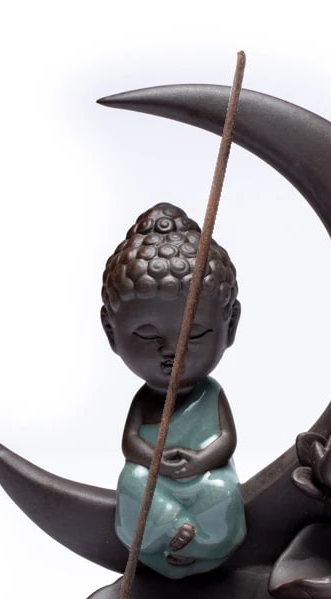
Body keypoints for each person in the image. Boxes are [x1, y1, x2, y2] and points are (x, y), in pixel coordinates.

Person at [101, 203, 246, 578]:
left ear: (230, 325)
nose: (172, 351)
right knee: (132, 482)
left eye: (194, 335)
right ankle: (175, 531)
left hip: (202, 478)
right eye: (148, 336)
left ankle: (195, 541)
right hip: (155, 481)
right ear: (111, 331)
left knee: (223, 489)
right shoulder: (146, 398)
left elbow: (226, 439)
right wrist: (155, 461)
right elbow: (130, 443)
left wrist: (201, 462)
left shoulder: (209, 393)